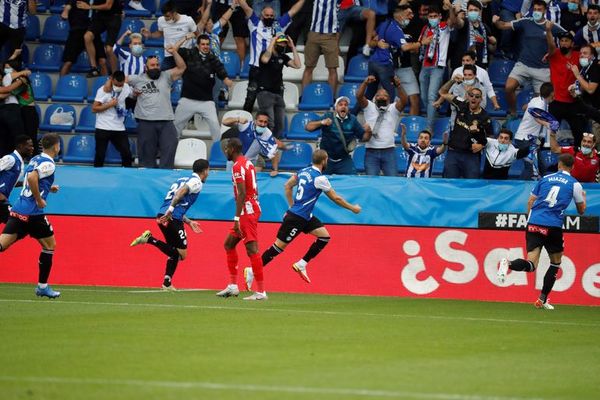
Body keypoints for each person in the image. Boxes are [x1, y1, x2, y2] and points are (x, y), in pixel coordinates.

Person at [244, 149, 361, 289]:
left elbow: (287, 186)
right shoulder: (320, 178)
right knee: (278, 247)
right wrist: (352, 208)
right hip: (297, 218)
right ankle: (252, 271)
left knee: (324, 237)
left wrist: (291, 206)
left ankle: (302, 264)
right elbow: (336, 198)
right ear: (324, 160)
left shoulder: (303, 171)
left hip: (304, 216)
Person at [497, 153, 586, 310]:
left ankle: (508, 263)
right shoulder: (575, 184)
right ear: (572, 167)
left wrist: (532, 220)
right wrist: (583, 198)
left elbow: (530, 201)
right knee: (555, 263)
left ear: (559, 165)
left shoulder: (545, 178)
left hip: (534, 223)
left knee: (531, 264)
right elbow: (581, 210)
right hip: (553, 225)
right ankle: (542, 299)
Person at [130, 159, 210, 290]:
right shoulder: (196, 182)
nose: (208, 173)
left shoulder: (183, 179)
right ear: (205, 170)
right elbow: (180, 194)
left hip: (162, 216)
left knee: (173, 252)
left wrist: (189, 222)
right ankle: (150, 239)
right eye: (208, 171)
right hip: (171, 217)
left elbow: (177, 201)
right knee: (182, 255)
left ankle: (167, 282)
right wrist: (171, 211)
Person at [0, 133, 61, 299]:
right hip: (33, 213)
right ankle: (42, 287)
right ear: (56, 146)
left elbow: (31, 178)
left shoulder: (35, 160)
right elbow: (34, 178)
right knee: (50, 245)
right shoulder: (49, 163)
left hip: (18, 209)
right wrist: (40, 199)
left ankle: (43, 287)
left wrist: (49, 188)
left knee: (2, 246)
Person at [493, 0, 566, 118]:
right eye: (535, 9)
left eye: (539, 10)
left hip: (542, 69)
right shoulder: (525, 21)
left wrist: (552, 46)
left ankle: (530, 111)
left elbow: (568, 40)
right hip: (523, 64)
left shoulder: (551, 26)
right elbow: (503, 25)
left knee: (541, 102)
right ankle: (513, 113)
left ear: (544, 11)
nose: (536, 12)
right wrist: (496, 22)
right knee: (509, 87)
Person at [216, 138, 267, 301]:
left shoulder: (237, 166)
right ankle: (233, 286)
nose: (225, 152)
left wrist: (236, 218)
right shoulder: (247, 163)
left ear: (232, 149)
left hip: (247, 211)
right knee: (228, 244)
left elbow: (242, 193)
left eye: (226, 149)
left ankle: (261, 292)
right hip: (251, 207)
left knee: (252, 249)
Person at [237, 0, 304, 112]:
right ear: (261, 15)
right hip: (257, 69)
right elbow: (245, 6)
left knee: (277, 102)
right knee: (250, 99)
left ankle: (274, 128)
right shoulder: (254, 22)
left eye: (272, 15)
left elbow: (293, 11)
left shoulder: (279, 25)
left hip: (273, 70)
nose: (269, 17)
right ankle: (245, 127)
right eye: (267, 15)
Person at [128, 47, 186, 169]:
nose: (155, 67)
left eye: (157, 65)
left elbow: (182, 67)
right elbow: (117, 81)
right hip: (145, 122)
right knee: (146, 156)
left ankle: (165, 175)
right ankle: (148, 180)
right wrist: (131, 93)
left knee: (171, 145)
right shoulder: (137, 79)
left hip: (166, 121)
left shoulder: (166, 76)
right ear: (146, 67)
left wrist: (174, 52)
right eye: (152, 65)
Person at [174, 34, 234, 142]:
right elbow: (174, 49)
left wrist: (226, 80)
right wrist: (185, 38)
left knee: (215, 126)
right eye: (203, 44)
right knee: (175, 128)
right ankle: (171, 151)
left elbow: (221, 71)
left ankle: (218, 152)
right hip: (187, 99)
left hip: (206, 101)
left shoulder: (213, 58)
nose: (205, 46)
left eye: (207, 44)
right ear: (197, 45)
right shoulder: (189, 53)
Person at [305, 96, 373, 175]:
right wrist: (321, 122)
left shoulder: (353, 120)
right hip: (326, 159)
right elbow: (308, 127)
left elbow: (364, 138)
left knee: (353, 180)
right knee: (316, 180)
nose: (343, 106)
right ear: (336, 108)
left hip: (344, 160)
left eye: (346, 105)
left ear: (348, 108)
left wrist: (369, 131)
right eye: (340, 104)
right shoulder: (328, 116)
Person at [436, 86, 492, 179]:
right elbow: (442, 92)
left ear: (481, 99)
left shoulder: (485, 117)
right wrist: (453, 81)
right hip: (453, 153)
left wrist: (482, 145)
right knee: (449, 183)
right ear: (467, 96)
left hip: (471, 156)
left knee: (471, 185)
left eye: (477, 96)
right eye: (471, 95)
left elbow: (491, 137)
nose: (473, 98)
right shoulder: (461, 105)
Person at [357, 75, 407, 176]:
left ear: (389, 99)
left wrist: (398, 85)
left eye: (385, 95)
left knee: (392, 182)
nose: (381, 97)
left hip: (389, 151)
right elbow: (359, 96)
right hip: (371, 152)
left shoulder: (393, 108)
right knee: (372, 183)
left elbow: (404, 100)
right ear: (375, 98)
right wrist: (365, 83)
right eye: (378, 95)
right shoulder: (369, 106)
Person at [546, 26, 587, 147]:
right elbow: (551, 44)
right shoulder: (554, 54)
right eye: (561, 41)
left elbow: (590, 54)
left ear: (572, 43)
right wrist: (548, 31)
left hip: (572, 102)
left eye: (566, 41)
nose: (563, 43)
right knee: (551, 133)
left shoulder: (579, 56)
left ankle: (579, 157)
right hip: (556, 102)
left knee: (578, 133)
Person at [255, 34, 301, 139]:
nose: (283, 45)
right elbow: (265, 60)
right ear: (275, 43)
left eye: (284, 43)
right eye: (280, 42)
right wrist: (272, 41)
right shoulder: (265, 53)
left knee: (280, 124)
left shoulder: (283, 57)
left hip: (278, 94)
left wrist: (292, 46)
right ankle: (263, 144)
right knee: (269, 122)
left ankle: (273, 145)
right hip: (265, 93)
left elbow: (298, 65)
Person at [417, 5, 455, 127]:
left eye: (435, 16)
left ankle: (429, 128)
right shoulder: (425, 28)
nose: (432, 18)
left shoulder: (444, 27)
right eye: (430, 16)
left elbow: (453, 22)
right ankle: (433, 113)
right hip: (424, 64)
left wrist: (450, 9)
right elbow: (420, 43)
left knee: (431, 96)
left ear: (439, 17)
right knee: (424, 96)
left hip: (438, 66)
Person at [514, 82, 555, 180]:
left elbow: (524, 107)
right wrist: (547, 124)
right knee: (531, 168)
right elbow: (537, 117)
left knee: (542, 167)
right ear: (552, 93)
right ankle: (519, 189)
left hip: (531, 139)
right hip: (525, 139)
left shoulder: (537, 100)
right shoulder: (539, 103)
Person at [141, 1, 198, 71]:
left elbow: (197, 33)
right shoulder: (161, 20)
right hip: (169, 55)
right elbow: (160, 33)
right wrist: (150, 35)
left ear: (174, 13)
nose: (166, 18)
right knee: (161, 76)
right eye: (164, 16)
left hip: (185, 55)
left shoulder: (188, 20)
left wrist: (190, 37)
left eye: (168, 16)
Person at [92, 70, 132, 168]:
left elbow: (132, 95)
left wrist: (136, 93)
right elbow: (94, 108)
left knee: (127, 153)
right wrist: (109, 104)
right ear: (112, 80)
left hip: (119, 127)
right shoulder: (103, 90)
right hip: (103, 127)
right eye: (117, 85)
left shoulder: (126, 87)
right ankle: (96, 176)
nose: (119, 87)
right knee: (100, 155)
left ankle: (127, 176)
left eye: (121, 85)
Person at [221, 111, 281, 176]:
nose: (263, 124)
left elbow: (274, 152)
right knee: (232, 177)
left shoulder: (267, 134)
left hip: (250, 157)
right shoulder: (245, 125)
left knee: (259, 164)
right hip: (234, 153)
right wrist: (237, 119)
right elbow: (224, 122)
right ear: (255, 121)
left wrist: (275, 170)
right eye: (260, 121)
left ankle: (249, 177)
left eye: (265, 122)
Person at [60, 0, 108, 76]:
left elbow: (106, 7)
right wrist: (66, 11)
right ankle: (61, 85)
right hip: (76, 32)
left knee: (102, 61)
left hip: (92, 32)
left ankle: (106, 85)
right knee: (68, 62)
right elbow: (68, 6)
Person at [302, 0, 340, 93]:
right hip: (314, 33)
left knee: (332, 68)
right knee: (309, 67)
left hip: (330, 34)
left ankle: (331, 99)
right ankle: (304, 97)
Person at [77, 0, 123, 76]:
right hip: (100, 15)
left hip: (114, 16)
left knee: (108, 49)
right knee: (87, 36)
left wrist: (89, 7)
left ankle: (115, 74)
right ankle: (94, 68)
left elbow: (108, 6)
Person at [434, 65, 487, 129]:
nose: (467, 77)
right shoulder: (457, 87)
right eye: (465, 75)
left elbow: (482, 106)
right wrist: (466, 95)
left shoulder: (481, 89)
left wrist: (470, 95)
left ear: (475, 75)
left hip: (474, 124)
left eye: (470, 75)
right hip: (457, 123)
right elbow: (453, 107)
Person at [450, 0, 496, 69]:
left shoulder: (485, 28)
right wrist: (453, 11)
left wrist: (494, 43)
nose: (473, 12)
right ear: (467, 12)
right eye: (471, 10)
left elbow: (491, 49)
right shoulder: (465, 23)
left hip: (479, 67)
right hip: (461, 67)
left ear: (480, 12)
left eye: (475, 10)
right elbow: (456, 22)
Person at [0, 135, 34, 224]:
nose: (32, 148)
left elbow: (11, 182)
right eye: (29, 145)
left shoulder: (20, 162)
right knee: (15, 223)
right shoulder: (10, 159)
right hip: (1, 202)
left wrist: (27, 183)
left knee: (12, 228)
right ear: (21, 146)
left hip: (3, 200)